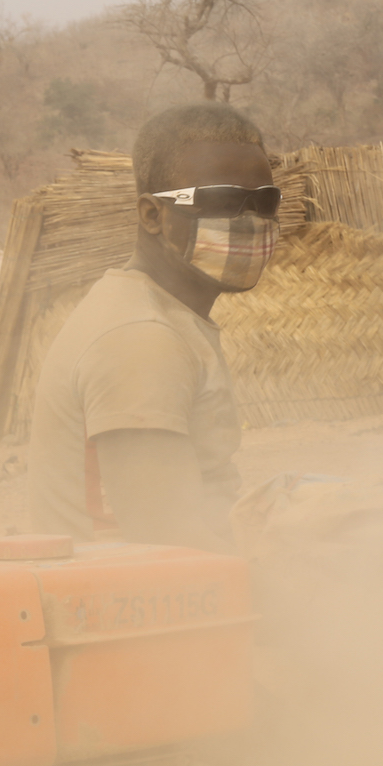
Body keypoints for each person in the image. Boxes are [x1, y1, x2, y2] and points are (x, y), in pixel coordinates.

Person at [29, 102, 279, 551]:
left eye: (265, 202)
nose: (250, 221)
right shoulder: (141, 338)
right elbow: (167, 538)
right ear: (152, 215)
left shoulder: (157, 316)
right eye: (221, 201)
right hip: (122, 604)